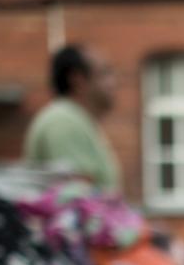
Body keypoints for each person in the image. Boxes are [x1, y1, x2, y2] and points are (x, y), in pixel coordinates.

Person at [23, 44, 120, 193]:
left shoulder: (75, 119)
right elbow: (77, 199)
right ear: (78, 80)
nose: (114, 83)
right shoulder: (63, 122)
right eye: (104, 74)